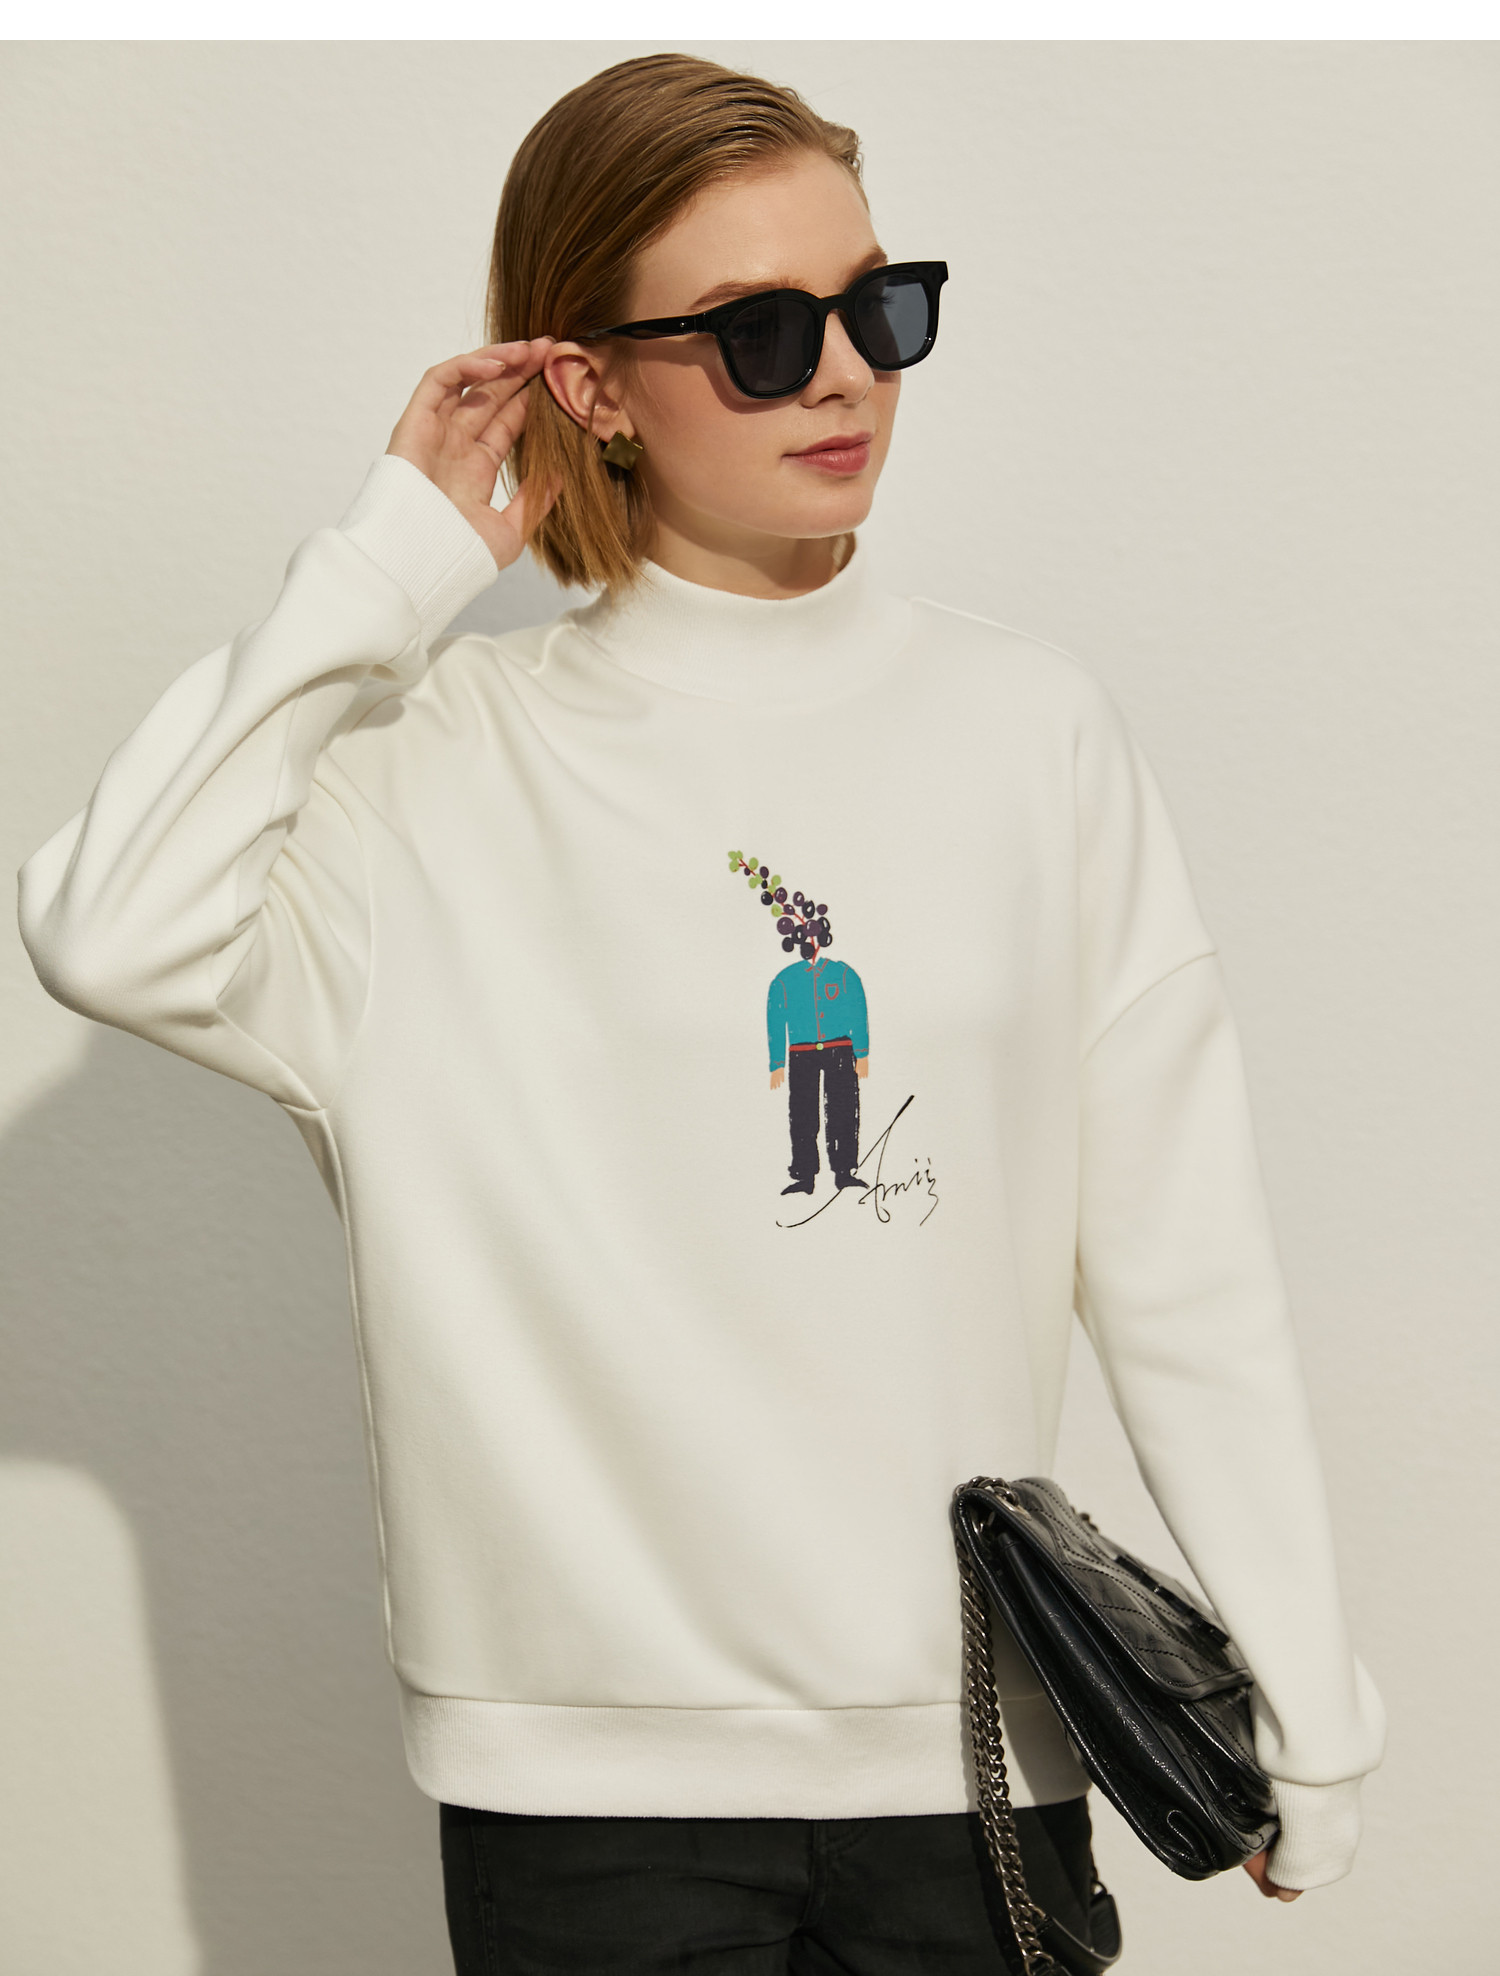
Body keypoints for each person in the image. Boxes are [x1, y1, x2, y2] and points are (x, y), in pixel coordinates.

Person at [15, 51, 1385, 1976]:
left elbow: (1183, 1264)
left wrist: (1307, 1696)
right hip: (585, 1811)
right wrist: (391, 563)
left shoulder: (1031, 735)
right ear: (591, 386)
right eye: (758, 333)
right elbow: (107, 931)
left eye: (879, 309)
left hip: (977, 1763)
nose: (844, 376)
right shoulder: (429, 773)